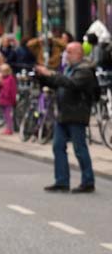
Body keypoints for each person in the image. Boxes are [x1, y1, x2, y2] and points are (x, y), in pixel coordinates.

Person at [37, 42, 97, 193]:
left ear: (79, 53)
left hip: (77, 114)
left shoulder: (85, 71)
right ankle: (62, 181)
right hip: (63, 114)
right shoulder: (69, 69)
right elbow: (59, 84)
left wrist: (52, 74)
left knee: (79, 148)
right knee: (57, 146)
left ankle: (88, 181)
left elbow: (71, 84)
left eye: (69, 52)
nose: (66, 55)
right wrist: (43, 77)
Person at [0, 63, 17, 136]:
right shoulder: (5, 78)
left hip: (8, 100)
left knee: (8, 115)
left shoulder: (10, 78)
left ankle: (9, 129)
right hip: (3, 99)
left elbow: (7, 90)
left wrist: (0, 80)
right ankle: (7, 128)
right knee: (5, 115)